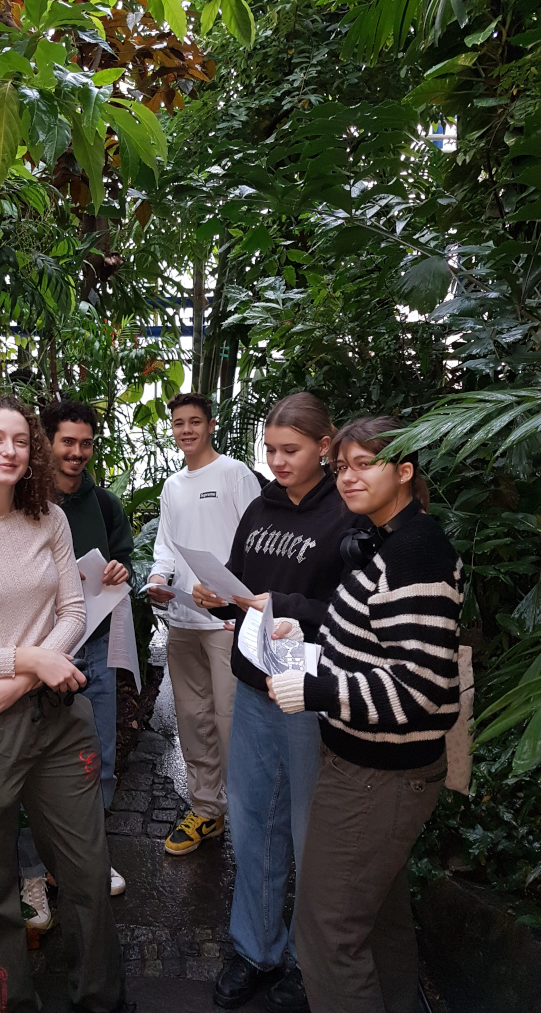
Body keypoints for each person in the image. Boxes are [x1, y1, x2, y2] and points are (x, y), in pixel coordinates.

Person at [0, 394, 132, 1013]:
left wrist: (26, 677)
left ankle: (102, 999)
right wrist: (28, 661)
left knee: (88, 874)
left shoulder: (49, 520)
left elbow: (73, 612)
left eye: (20, 441)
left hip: (59, 724)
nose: (10, 451)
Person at [266, 416, 463, 1013]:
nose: (347, 478)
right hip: (369, 768)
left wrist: (318, 690)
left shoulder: (416, 552)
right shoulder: (382, 539)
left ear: (403, 472)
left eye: (364, 464)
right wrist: (301, 627)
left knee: (325, 934)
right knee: (377, 922)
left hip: (381, 778)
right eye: (342, 466)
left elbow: (420, 688)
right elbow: (368, 632)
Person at [192, 393, 366, 1012]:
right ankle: (254, 949)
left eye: (289, 450)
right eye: (269, 449)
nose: (276, 460)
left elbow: (360, 615)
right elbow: (244, 584)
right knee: (253, 823)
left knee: (308, 832)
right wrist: (220, 595)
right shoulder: (261, 505)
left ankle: (304, 958)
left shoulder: (348, 515)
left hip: (311, 693)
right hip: (255, 682)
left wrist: (286, 607)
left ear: (326, 447)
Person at [18, 399, 134, 924]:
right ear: (46, 442)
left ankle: (87, 860)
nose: (77, 453)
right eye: (67, 441)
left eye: (86, 443)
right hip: (39, 656)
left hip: (97, 644)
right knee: (30, 763)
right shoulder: (22, 503)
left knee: (98, 758)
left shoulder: (104, 505)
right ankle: (32, 873)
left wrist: (119, 569)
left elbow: (128, 557)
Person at [147, 392, 261, 855]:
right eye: (178, 423)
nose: (186, 430)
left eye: (194, 421)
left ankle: (250, 817)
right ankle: (206, 810)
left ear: (210, 425)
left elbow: (258, 542)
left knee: (231, 719)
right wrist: (158, 577)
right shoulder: (173, 486)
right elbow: (166, 544)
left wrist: (240, 604)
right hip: (183, 620)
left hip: (226, 624)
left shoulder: (235, 474)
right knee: (193, 719)